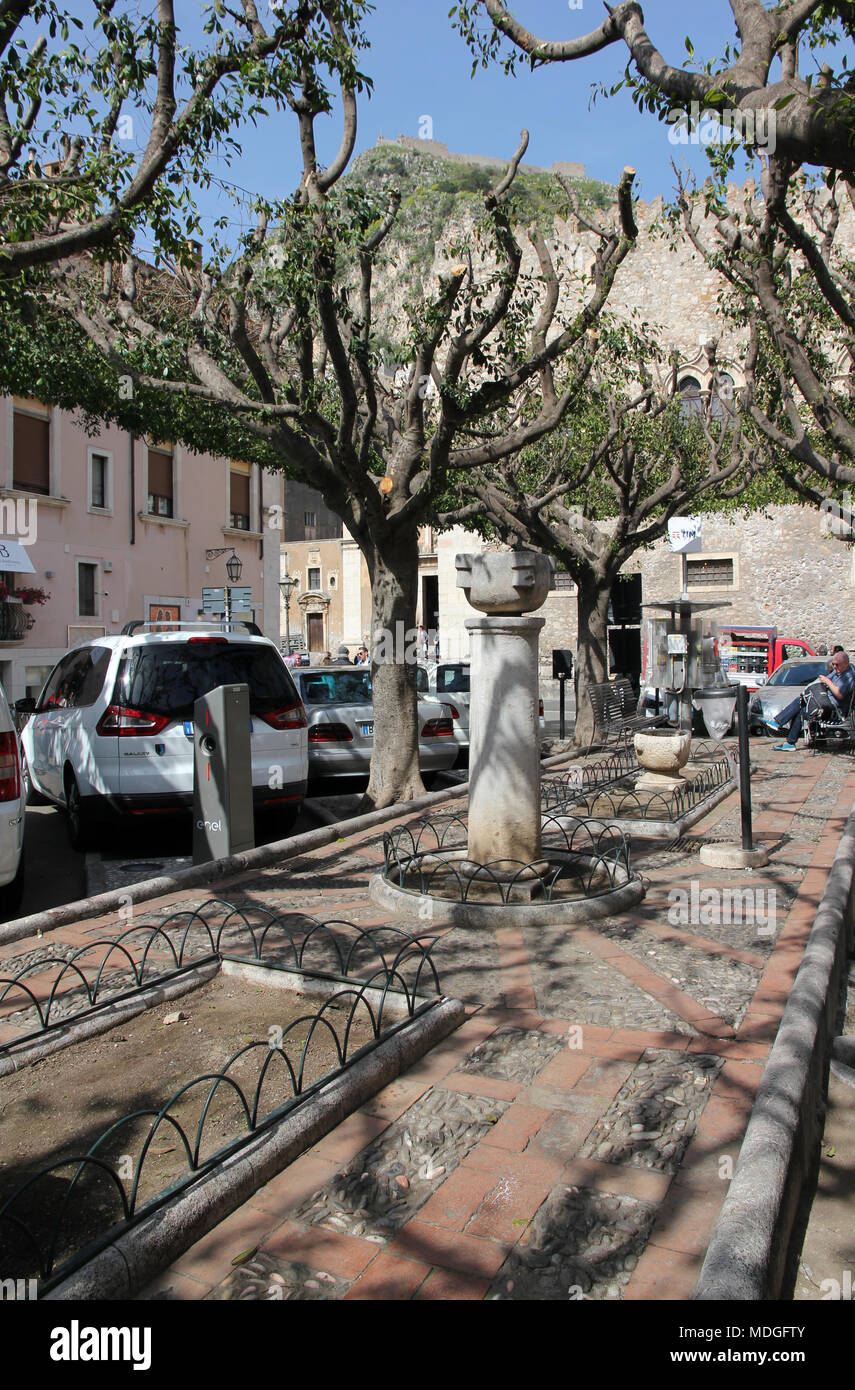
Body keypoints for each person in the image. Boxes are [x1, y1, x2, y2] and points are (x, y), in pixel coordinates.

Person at [772, 649, 855, 750]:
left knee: (801, 704)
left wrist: (828, 682)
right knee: (802, 704)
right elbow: (826, 678)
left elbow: (840, 694)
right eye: (834, 664)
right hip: (825, 704)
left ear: (846, 664)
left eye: (837, 665)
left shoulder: (848, 675)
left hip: (834, 710)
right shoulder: (838, 671)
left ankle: (781, 727)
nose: (835, 667)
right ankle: (788, 739)